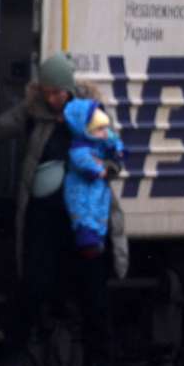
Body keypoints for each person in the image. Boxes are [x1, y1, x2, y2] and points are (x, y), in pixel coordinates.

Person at [0, 54, 125, 366]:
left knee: (94, 300)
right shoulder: (33, 112)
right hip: (43, 217)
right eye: (47, 91)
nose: (52, 98)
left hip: (84, 221)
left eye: (57, 92)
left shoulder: (92, 114)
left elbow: (115, 156)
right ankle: (14, 357)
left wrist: (102, 168)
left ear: (69, 88)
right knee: (31, 286)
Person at [62, 99, 125, 258]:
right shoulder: (79, 149)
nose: (105, 132)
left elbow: (114, 143)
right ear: (86, 130)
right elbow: (86, 164)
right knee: (85, 217)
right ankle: (88, 245)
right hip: (81, 191)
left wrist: (116, 148)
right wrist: (101, 170)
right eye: (100, 129)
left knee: (98, 215)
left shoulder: (97, 143)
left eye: (105, 128)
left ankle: (96, 242)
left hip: (96, 192)